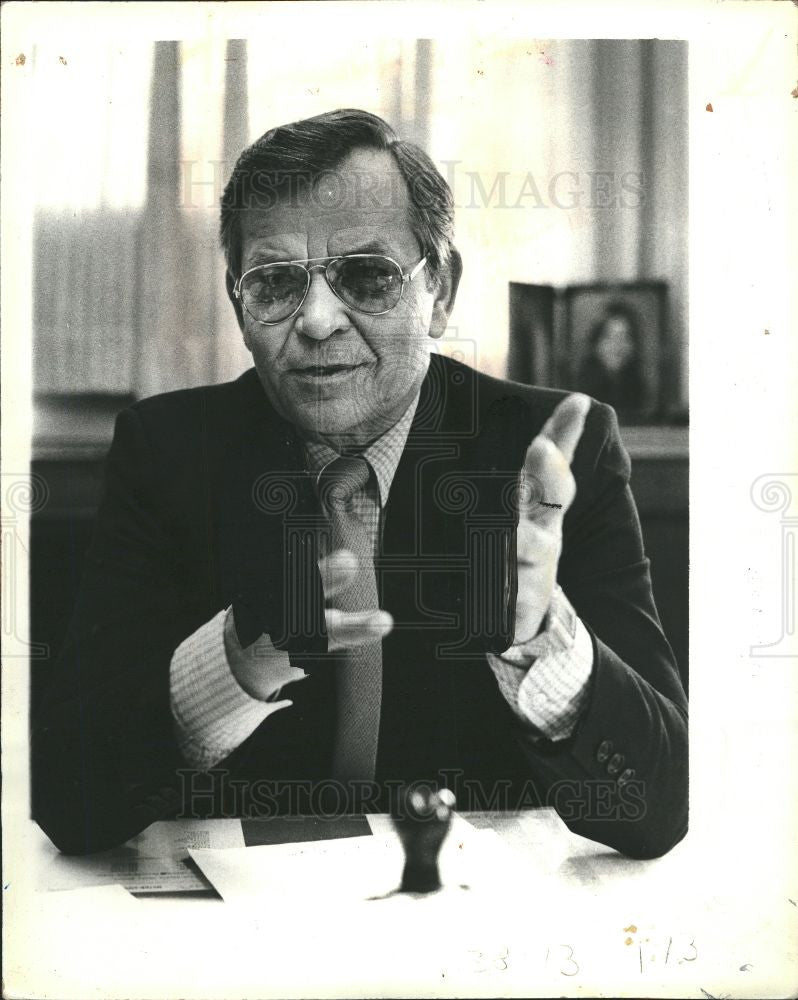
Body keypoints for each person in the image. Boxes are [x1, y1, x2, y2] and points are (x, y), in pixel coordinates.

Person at [32, 109, 687, 859]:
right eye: (275, 283)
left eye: (367, 276)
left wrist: (543, 644)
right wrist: (230, 671)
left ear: (439, 292)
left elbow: (659, 808)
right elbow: (65, 799)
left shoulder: (547, 457)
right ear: (238, 305)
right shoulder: (168, 452)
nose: (315, 320)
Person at [578, 302, 648, 420]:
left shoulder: (641, 390)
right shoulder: (580, 393)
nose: (617, 345)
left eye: (624, 337)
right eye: (609, 337)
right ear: (595, 344)